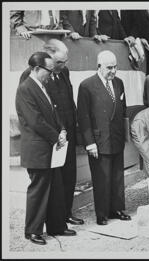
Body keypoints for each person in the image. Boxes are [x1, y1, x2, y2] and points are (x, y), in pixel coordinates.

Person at [19, 39, 84, 226]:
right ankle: (52, 217)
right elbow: (35, 113)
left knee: (69, 175)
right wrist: (55, 135)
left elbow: (68, 100)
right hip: (50, 138)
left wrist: (70, 129)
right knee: (54, 181)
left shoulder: (63, 71)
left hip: (66, 133)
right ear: (47, 55)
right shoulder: (31, 76)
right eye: (59, 62)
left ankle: (66, 213)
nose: (63, 66)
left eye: (65, 62)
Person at [77, 50, 131, 225]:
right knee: (101, 178)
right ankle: (102, 214)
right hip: (98, 141)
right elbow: (83, 117)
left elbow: (123, 111)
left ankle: (116, 209)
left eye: (115, 67)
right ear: (99, 66)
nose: (113, 71)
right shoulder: (87, 86)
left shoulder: (119, 83)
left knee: (117, 176)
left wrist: (125, 135)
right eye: (109, 68)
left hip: (116, 138)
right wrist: (89, 142)